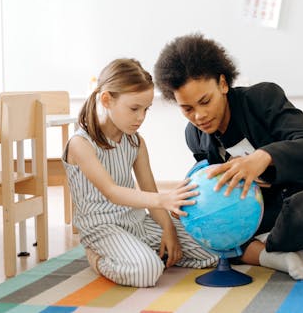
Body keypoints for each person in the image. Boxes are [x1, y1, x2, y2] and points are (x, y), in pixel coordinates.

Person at [154, 34, 303, 279]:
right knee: (190, 227)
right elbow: (215, 186)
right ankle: (276, 248)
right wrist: (188, 201)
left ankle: (258, 247)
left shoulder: (262, 99)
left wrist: (262, 158)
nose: (199, 116)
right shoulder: (195, 136)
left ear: (223, 84)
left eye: (205, 101)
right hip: (269, 210)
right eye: (187, 108)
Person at [62, 58, 218, 287]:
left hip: (137, 222)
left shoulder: (135, 142)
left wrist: (167, 229)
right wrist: (164, 199)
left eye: (146, 109)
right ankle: (97, 258)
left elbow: (148, 190)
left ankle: (138, 251)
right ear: (107, 100)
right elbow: (112, 192)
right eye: (134, 108)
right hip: (103, 229)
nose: (141, 117)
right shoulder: (80, 144)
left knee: (211, 251)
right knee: (147, 272)